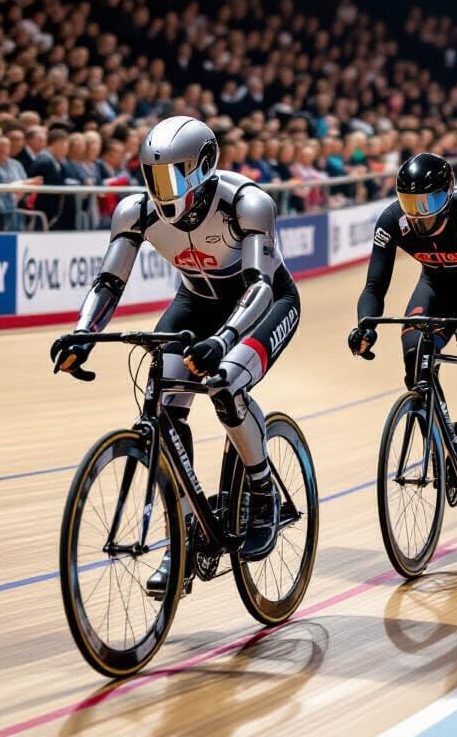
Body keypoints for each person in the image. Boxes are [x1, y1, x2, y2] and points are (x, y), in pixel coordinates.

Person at [50, 116, 299, 592]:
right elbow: (109, 281)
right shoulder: (135, 211)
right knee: (162, 407)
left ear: (204, 167)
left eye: (171, 176)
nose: (160, 188)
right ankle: (183, 537)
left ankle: (263, 490)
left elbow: (260, 287)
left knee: (225, 383)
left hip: (264, 303)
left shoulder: (246, 203)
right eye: (152, 176)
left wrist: (224, 340)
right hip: (195, 305)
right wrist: (82, 332)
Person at [348, 153, 457, 495]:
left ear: (449, 193)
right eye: (410, 202)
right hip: (437, 288)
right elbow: (374, 286)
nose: (420, 211)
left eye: (430, 201)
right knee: (415, 359)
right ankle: (446, 442)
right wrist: (365, 325)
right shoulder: (392, 221)